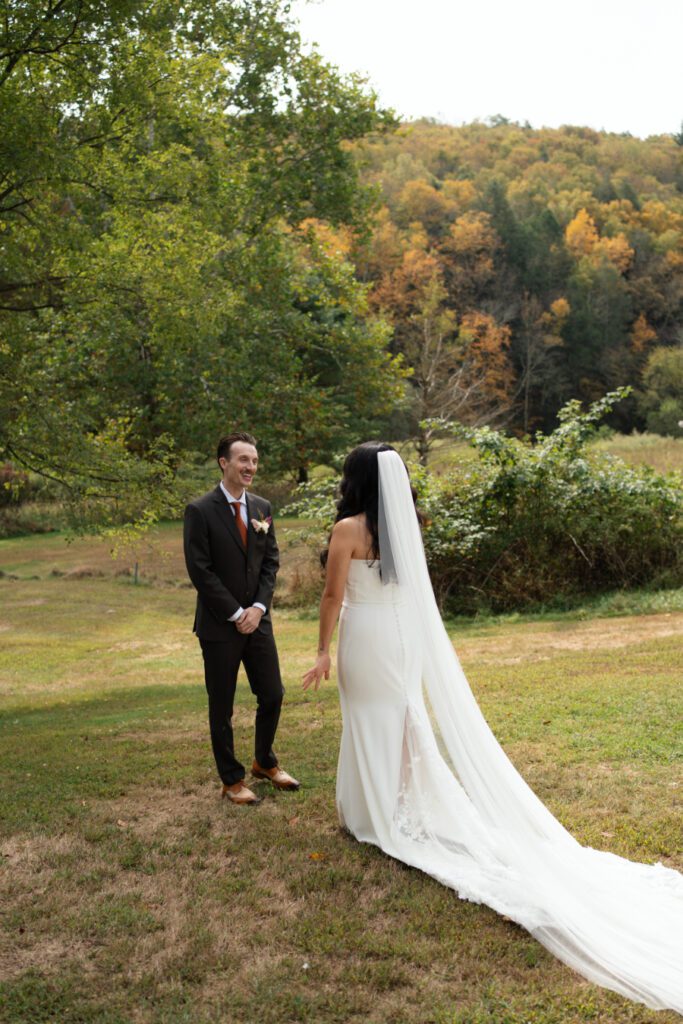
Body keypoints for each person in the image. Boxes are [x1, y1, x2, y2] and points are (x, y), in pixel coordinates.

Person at [302, 441, 683, 1014]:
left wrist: (322, 650)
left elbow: (333, 594)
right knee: (402, 720)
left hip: (367, 638)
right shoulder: (404, 526)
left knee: (370, 720)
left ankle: (378, 813)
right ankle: (397, 801)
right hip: (401, 640)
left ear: (353, 478)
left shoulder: (348, 529)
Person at [184, 431, 299, 805]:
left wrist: (258, 609)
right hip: (220, 625)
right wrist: (235, 613)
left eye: (254, 460)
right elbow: (200, 571)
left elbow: (270, 563)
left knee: (273, 693)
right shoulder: (200, 510)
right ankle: (231, 780)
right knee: (222, 703)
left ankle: (264, 761)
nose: (250, 467)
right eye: (243, 460)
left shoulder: (263, 507)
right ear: (224, 463)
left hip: (258, 620)